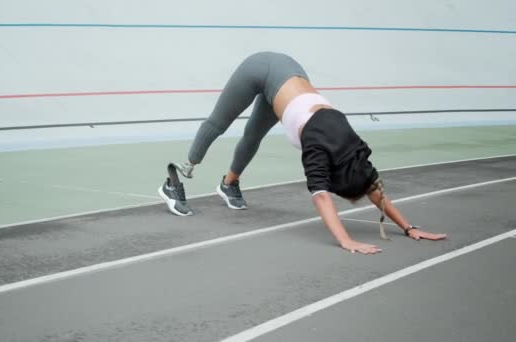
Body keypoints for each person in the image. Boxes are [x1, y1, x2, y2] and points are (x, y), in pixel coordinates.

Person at [158, 51, 446, 254]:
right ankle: (179, 175)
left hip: (289, 78)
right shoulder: (317, 149)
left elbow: (373, 187)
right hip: (263, 67)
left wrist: (409, 227)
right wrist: (346, 240)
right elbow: (321, 197)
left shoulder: (353, 149)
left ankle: (228, 184)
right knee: (219, 123)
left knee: (253, 135)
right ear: (339, 182)